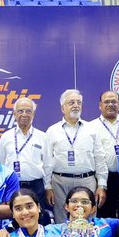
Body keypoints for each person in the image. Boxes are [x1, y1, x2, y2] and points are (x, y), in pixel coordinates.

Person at [46, 89, 108, 224]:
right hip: (60, 182)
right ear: (63, 108)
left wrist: (102, 185)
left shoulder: (92, 129)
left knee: (88, 218)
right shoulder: (52, 131)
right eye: (71, 102)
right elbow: (47, 161)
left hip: (87, 180)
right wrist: (47, 186)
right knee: (62, 220)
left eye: (78, 102)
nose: (76, 106)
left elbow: (99, 158)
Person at [0, 97, 52, 225]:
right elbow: (1, 163)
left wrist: (48, 187)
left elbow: (48, 164)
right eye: (20, 111)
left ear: (33, 114)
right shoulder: (6, 137)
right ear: (14, 114)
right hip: (13, 186)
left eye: (28, 111)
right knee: (14, 221)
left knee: (38, 221)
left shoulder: (42, 136)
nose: (24, 114)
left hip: (36, 186)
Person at [87, 91, 119, 218]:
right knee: (104, 216)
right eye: (106, 102)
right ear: (100, 105)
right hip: (103, 178)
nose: (110, 104)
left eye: (114, 102)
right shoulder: (91, 127)